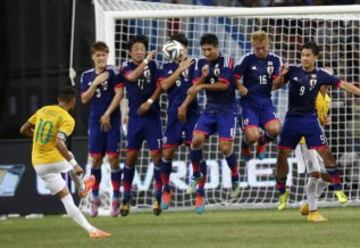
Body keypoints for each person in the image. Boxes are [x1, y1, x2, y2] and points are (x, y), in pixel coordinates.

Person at [273, 42, 360, 221]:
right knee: (281, 155)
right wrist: (280, 76)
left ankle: (337, 189)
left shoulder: (321, 76)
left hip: (309, 121)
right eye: (302, 55)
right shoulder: (293, 71)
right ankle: (282, 190)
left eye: (307, 55)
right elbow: (275, 86)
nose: (304, 58)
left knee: (325, 153)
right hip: (291, 120)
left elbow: (344, 85)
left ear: (315, 57)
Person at [20, 86, 111, 239]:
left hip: (38, 164)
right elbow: (59, 142)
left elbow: (23, 129)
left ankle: (92, 231)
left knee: (66, 199)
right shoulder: (67, 119)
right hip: (53, 160)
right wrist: (74, 164)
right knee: (70, 157)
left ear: (58, 100)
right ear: (73, 102)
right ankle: (82, 187)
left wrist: (37, 136)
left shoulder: (43, 110)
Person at [180, 33, 240, 214]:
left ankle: (235, 178)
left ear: (217, 47)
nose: (206, 53)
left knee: (224, 147)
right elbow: (194, 86)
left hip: (227, 110)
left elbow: (224, 86)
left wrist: (201, 86)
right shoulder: (200, 64)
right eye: (204, 49)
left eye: (209, 49)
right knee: (196, 140)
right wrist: (203, 78)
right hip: (210, 110)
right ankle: (196, 173)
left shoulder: (227, 61)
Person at [295, 69, 348, 221]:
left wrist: (324, 120)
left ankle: (307, 203)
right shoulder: (310, 96)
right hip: (304, 139)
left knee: (327, 176)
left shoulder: (328, 99)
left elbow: (320, 119)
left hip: (317, 139)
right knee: (315, 172)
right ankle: (313, 212)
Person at [120, 34, 163, 216]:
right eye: (135, 49)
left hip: (152, 116)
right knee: (131, 156)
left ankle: (157, 196)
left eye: (142, 48)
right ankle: (126, 196)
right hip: (135, 118)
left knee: (157, 156)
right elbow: (131, 78)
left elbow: (160, 86)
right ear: (130, 52)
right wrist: (146, 59)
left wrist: (150, 102)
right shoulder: (125, 67)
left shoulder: (153, 66)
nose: (139, 51)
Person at [80, 41, 124, 217]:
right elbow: (84, 99)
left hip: (112, 120)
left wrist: (107, 113)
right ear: (93, 57)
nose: (101, 58)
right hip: (95, 121)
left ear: (107, 55)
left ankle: (116, 198)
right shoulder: (86, 76)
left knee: (113, 159)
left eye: (103, 55)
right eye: (98, 55)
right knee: (96, 159)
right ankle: (95, 198)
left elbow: (120, 94)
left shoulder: (114, 71)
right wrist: (95, 83)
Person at [158, 33, 198, 210]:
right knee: (167, 153)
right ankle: (166, 189)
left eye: (182, 46)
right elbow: (164, 86)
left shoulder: (196, 64)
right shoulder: (166, 66)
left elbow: (196, 88)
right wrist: (179, 69)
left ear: (186, 47)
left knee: (195, 148)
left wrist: (184, 105)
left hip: (192, 112)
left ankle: (200, 193)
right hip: (173, 114)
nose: (179, 50)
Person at [233, 31, 282, 161]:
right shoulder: (247, 59)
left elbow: (277, 84)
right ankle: (244, 146)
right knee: (252, 136)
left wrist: (281, 77)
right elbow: (233, 77)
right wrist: (240, 86)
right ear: (253, 46)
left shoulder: (276, 60)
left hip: (266, 102)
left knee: (275, 129)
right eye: (257, 48)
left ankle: (262, 142)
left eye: (263, 48)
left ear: (268, 44)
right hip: (249, 103)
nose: (260, 51)